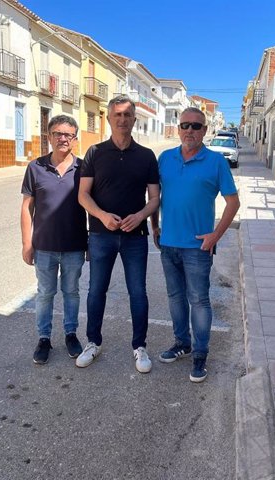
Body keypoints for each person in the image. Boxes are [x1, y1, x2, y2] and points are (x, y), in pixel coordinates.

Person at [152, 107, 240, 383]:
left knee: (199, 300)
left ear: (205, 130)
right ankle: (182, 343)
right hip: (168, 244)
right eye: (185, 125)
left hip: (198, 248)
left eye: (196, 126)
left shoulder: (215, 162)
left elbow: (233, 203)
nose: (190, 130)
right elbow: (154, 195)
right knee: (175, 298)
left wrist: (215, 236)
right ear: (178, 129)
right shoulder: (165, 158)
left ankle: (200, 353)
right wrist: (154, 225)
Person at [76, 95, 160, 374]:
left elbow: (154, 198)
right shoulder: (94, 153)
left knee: (138, 292)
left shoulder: (146, 156)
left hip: (135, 236)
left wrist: (141, 216)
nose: (122, 119)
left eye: (127, 115)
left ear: (134, 119)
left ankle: (140, 346)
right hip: (101, 235)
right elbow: (83, 195)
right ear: (109, 119)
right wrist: (102, 216)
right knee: (96, 290)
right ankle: (93, 342)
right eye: (117, 115)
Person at [20, 114, 87, 365]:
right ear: (48, 137)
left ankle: (71, 334)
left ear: (75, 139)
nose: (62, 138)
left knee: (71, 292)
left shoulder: (83, 169)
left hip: (74, 246)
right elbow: (27, 208)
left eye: (68, 135)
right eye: (57, 133)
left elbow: (92, 206)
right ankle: (44, 338)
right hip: (44, 246)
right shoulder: (35, 167)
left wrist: (90, 242)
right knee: (45, 293)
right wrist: (27, 243)